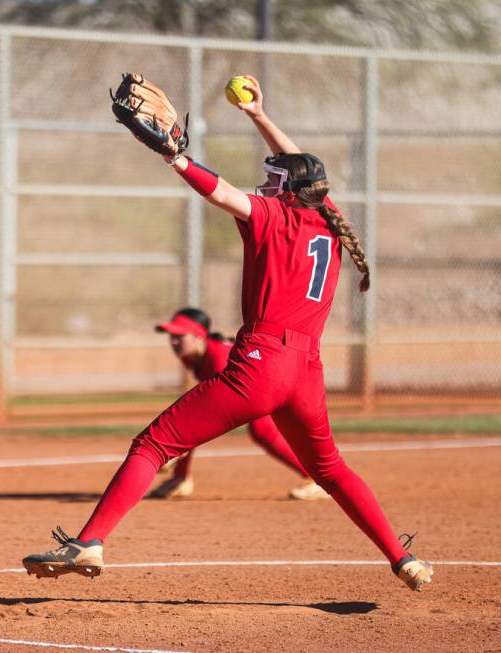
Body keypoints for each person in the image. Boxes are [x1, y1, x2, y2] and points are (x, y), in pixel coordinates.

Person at [22, 75, 433, 591]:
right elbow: (304, 168)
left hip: (260, 364)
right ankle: (402, 558)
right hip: (307, 372)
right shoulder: (328, 219)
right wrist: (259, 116)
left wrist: (174, 157)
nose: (263, 186)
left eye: (271, 180)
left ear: (286, 190)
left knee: (152, 445)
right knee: (330, 470)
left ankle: (91, 541)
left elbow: (220, 191)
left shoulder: (273, 215)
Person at [150, 306, 329, 501]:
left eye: (179, 336)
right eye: (171, 336)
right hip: (266, 380)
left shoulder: (218, 357)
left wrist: (179, 450)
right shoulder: (199, 357)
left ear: (198, 336)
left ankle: (316, 480)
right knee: (191, 418)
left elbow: (217, 410)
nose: (173, 342)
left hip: (273, 380)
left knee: (262, 430)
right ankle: (181, 479)